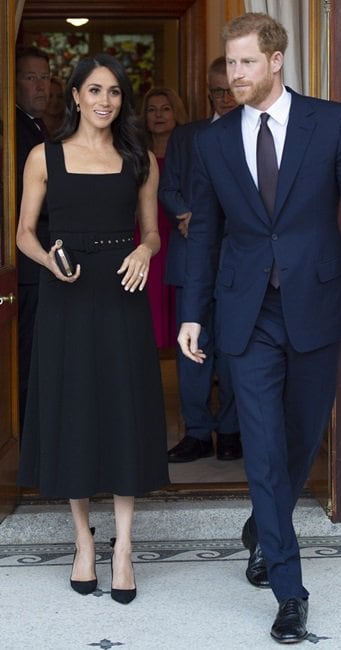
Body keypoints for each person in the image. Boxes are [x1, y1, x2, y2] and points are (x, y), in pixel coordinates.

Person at [177, 12, 341, 644]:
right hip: (248, 312)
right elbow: (206, 232)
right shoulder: (213, 142)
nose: (234, 74)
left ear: (275, 60)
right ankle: (289, 590)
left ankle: (262, 527)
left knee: (300, 436)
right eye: (229, 62)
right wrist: (193, 310)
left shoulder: (333, 122)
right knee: (264, 445)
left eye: (245, 62)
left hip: (319, 306)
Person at [16, 53, 169, 605]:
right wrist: (47, 260)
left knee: (124, 411)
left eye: (115, 92)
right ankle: (83, 540)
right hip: (66, 292)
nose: (105, 101)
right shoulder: (44, 156)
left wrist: (145, 253)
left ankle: (124, 546)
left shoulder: (140, 160)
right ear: (76, 96)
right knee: (73, 411)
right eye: (95, 90)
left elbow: (151, 233)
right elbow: (24, 233)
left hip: (122, 295)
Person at [159, 58, 241, 463]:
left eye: (231, 90)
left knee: (232, 349)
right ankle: (195, 432)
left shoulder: (254, 133)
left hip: (239, 261)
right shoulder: (186, 136)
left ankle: (229, 431)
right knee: (191, 349)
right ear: (207, 92)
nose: (225, 99)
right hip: (191, 256)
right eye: (217, 91)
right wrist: (186, 214)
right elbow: (168, 186)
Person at [15, 45, 50, 431]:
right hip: (24, 265)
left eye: (45, 77)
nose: (41, 86)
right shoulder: (13, 130)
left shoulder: (39, 126)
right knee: (26, 357)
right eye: (31, 77)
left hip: (38, 264)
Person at [138, 87, 187, 349]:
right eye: (151, 109)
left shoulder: (189, 151)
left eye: (165, 108)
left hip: (178, 231)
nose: (158, 115)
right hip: (145, 233)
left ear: (176, 113)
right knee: (150, 297)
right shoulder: (135, 155)